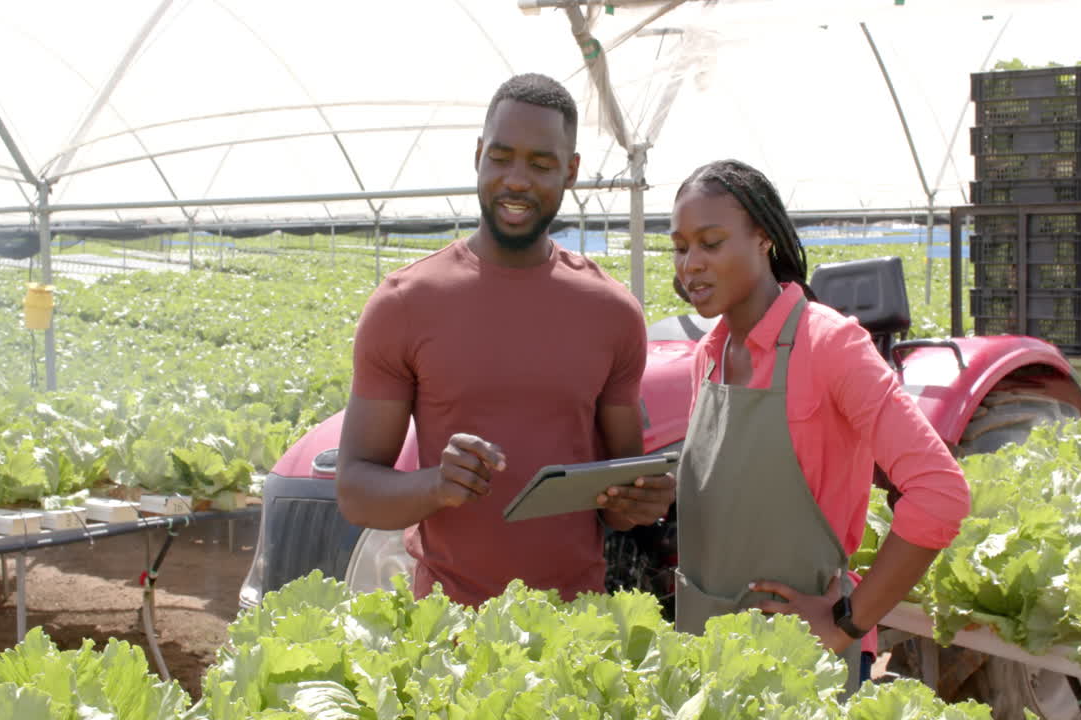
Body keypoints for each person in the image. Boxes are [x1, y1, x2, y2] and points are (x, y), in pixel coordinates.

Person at [336, 73, 676, 608]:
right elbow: (355, 491)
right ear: (478, 157)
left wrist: (643, 499)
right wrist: (436, 485)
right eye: (501, 157)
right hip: (447, 629)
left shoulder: (612, 312)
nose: (517, 180)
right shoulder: (404, 304)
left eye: (541, 164)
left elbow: (615, 500)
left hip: (573, 627)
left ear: (571, 171)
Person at [669, 159, 970, 693]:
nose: (690, 264)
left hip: (801, 665)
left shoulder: (829, 345)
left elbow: (940, 493)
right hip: (706, 653)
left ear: (763, 239)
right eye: (680, 247)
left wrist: (846, 622)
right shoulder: (708, 357)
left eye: (710, 243)